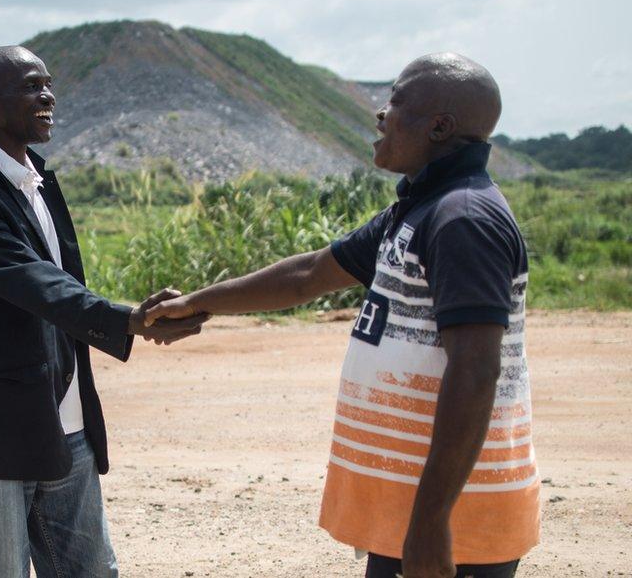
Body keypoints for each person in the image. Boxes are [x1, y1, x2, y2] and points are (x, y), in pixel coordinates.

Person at [145, 53, 539, 578]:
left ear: (440, 127)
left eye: (396, 100)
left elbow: (475, 370)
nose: (381, 113)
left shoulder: (462, 218)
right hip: (418, 507)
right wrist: (199, 301)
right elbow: (308, 274)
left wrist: (431, 522)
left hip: (454, 517)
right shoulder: (421, 206)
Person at [0, 45, 208, 577]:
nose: (49, 96)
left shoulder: (38, 180)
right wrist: (124, 319)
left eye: (49, 84)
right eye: (32, 86)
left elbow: (57, 285)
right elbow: (31, 281)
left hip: (67, 425)